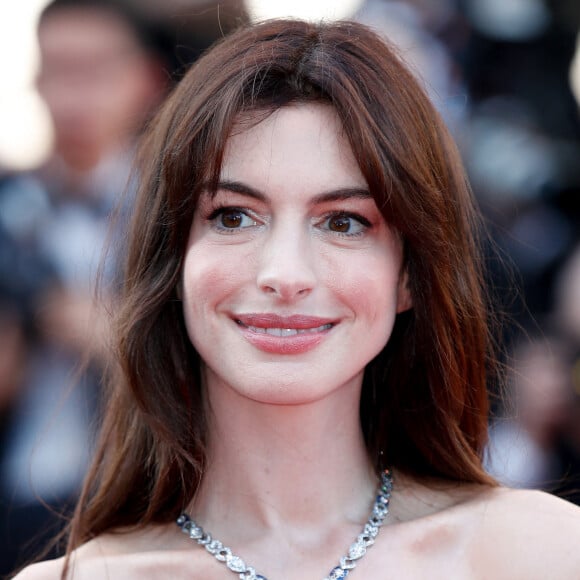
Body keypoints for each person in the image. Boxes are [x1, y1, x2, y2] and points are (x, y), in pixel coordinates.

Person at [15, 18, 580, 580]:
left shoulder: (543, 551)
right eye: (233, 216)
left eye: (343, 222)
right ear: (174, 258)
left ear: (409, 273)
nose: (285, 274)